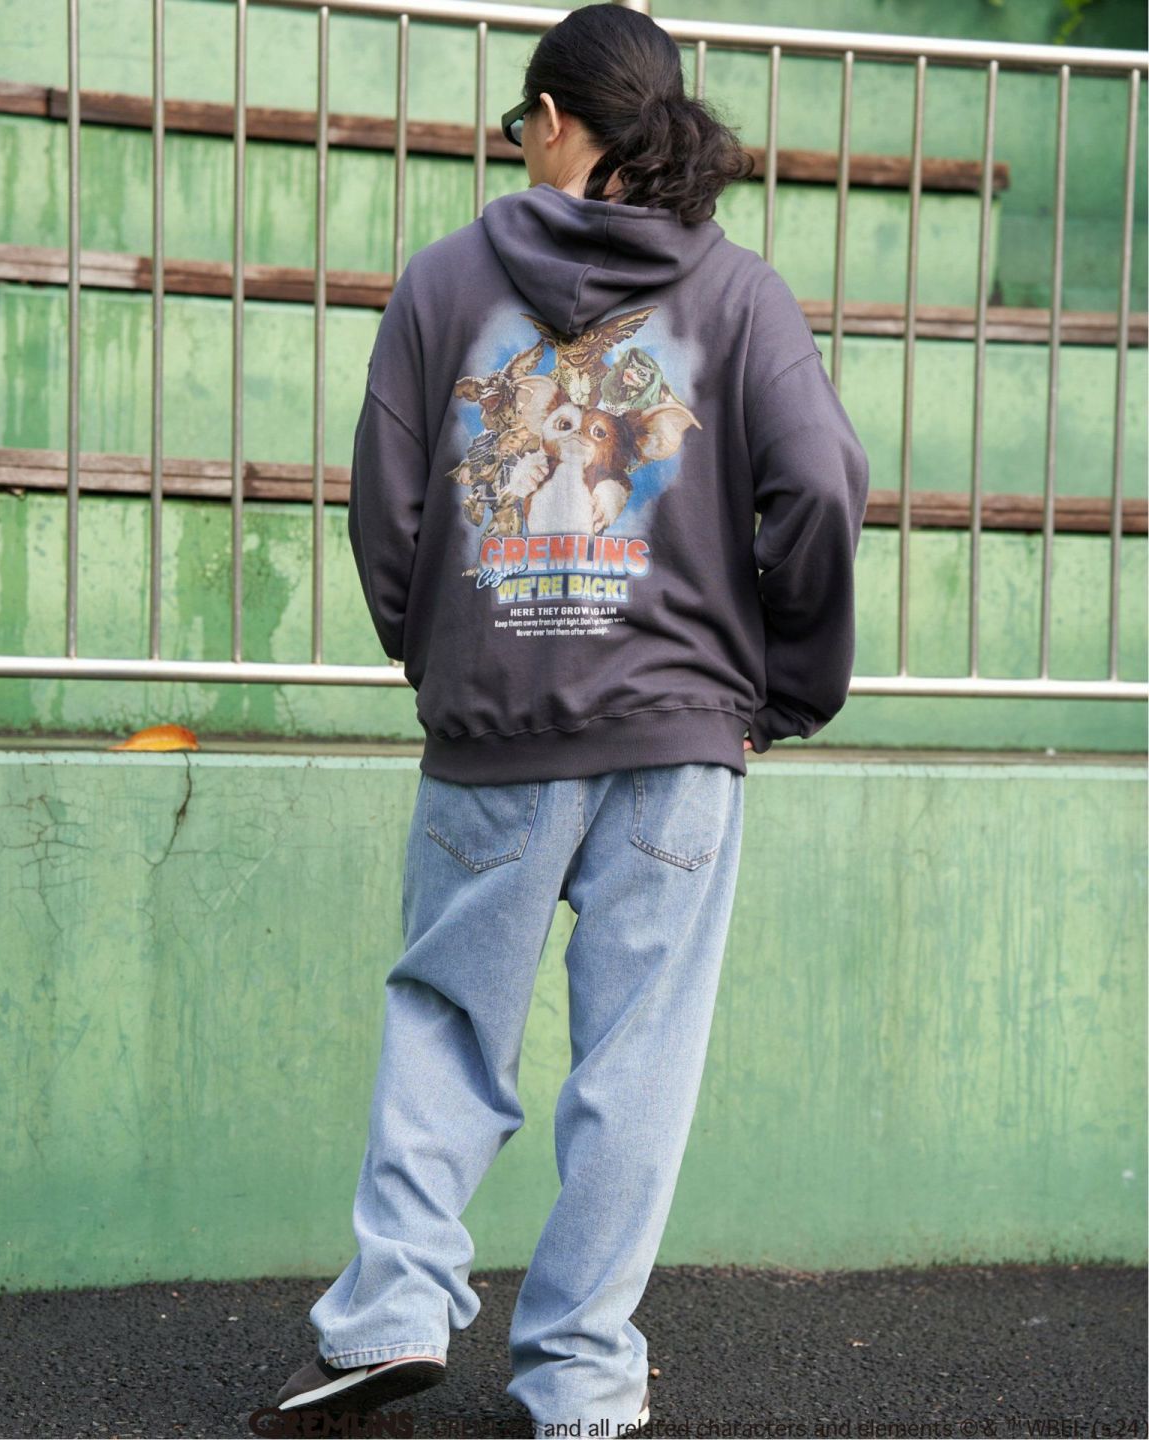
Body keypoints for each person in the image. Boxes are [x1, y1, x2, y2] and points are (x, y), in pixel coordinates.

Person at [273, 4, 869, 1435]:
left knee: (444, 1016)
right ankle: (584, 1375)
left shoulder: (442, 284)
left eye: (520, 125)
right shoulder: (739, 295)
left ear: (551, 121)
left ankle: (393, 1311)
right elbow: (821, 485)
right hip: (678, 738)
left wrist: (443, 658)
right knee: (637, 1061)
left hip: (495, 723)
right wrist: (783, 685)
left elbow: (386, 512)